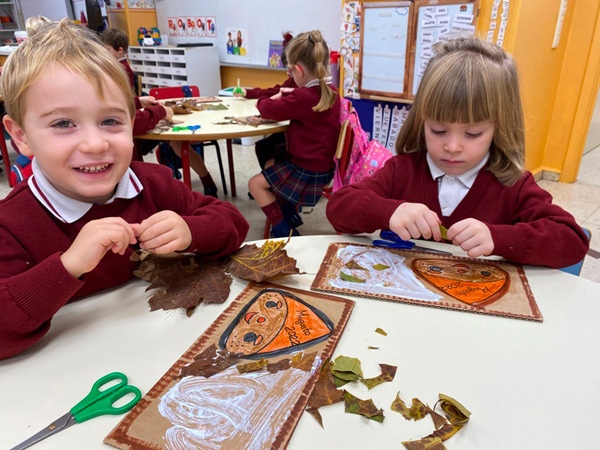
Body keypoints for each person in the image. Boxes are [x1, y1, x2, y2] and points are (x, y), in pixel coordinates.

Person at [0, 19, 249, 359]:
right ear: (21, 136)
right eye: (63, 124)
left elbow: (233, 222)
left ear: (132, 125)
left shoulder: (154, 183)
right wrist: (69, 265)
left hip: (157, 356)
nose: (95, 143)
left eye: (110, 121)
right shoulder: (12, 224)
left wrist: (191, 230)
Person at [326, 36, 589, 268]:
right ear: (422, 122)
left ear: (500, 128)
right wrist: (389, 211)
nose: (452, 147)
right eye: (438, 130)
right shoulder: (403, 170)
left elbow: (572, 240)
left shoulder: (513, 185)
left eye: (473, 134)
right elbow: (338, 208)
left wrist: (498, 238)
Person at [247, 30, 340, 237]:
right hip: (324, 168)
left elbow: (265, 108)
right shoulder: (331, 91)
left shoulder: (302, 98)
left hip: (306, 172)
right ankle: (289, 212)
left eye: (290, 72)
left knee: (254, 184)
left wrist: (271, 98)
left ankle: (282, 228)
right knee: (271, 162)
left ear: (297, 70)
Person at [235, 32, 294, 170]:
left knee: (266, 147)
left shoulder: (301, 92)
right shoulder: (294, 81)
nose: (288, 73)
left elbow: (271, 104)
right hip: (293, 137)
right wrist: (247, 92)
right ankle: (270, 183)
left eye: (291, 70)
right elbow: (275, 91)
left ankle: (271, 183)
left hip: (296, 144)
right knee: (263, 146)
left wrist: (262, 102)